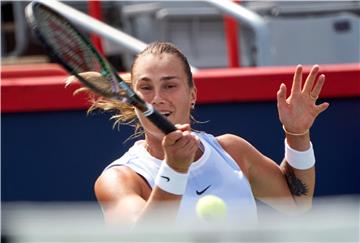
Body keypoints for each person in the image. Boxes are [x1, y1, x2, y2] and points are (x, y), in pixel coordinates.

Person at [71, 42, 329, 226]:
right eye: (146, 88)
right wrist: (174, 170)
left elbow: (297, 204)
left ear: (192, 95)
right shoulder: (119, 179)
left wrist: (297, 134)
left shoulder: (232, 151)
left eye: (170, 85)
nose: (157, 99)